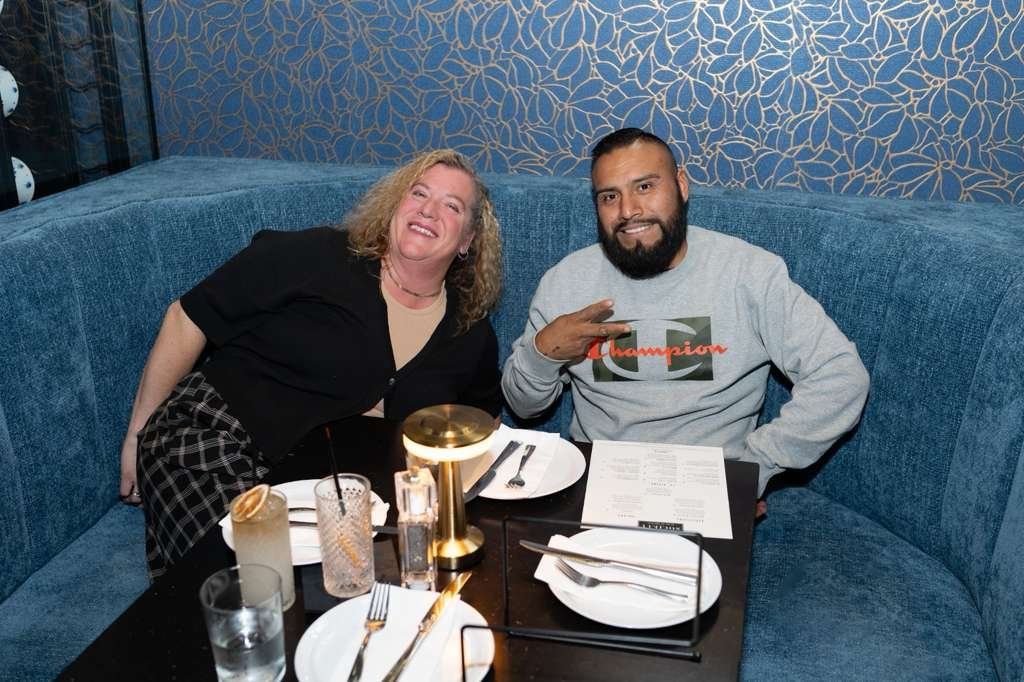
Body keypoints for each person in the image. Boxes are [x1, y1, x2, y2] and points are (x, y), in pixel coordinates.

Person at [121, 149, 503, 578]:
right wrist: (137, 436)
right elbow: (186, 317)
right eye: (418, 193)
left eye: (451, 206)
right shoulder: (319, 255)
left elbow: (480, 424)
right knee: (250, 581)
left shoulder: (469, 333)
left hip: (331, 488)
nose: (428, 210)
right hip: (209, 435)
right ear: (395, 206)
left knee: (358, 592)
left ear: (468, 240)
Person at [501, 128, 869, 505]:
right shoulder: (567, 282)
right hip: (601, 483)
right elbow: (524, 408)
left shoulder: (748, 273)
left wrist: (752, 470)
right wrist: (542, 353)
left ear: (681, 185)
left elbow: (840, 375)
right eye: (610, 196)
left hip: (709, 488)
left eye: (644, 187)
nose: (628, 211)